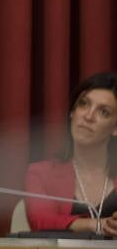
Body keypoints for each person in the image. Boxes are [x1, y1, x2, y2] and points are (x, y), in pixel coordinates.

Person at [23, 71, 117, 235]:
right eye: (83, 104)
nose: (88, 116)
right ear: (72, 112)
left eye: (104, 112)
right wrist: (96, 225)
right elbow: (40, 220)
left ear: (115, 129)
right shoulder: (40, 173)